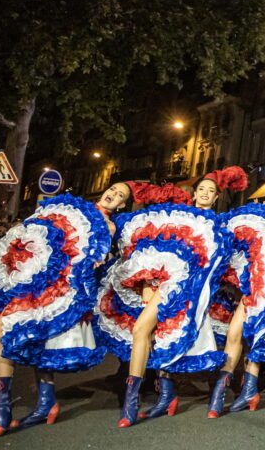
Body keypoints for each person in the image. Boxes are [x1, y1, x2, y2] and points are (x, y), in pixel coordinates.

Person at [0, 186, 129, 436]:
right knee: (4, 326)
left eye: (121, 196)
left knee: (32, 336)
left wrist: (96, 260)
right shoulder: (67, 209)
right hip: (39, 280)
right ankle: (10, 407)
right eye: (113, 189)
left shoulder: (107, 227)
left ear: (121, 205)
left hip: (62, 289)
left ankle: (35, 404)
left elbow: (95, 260)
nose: (114, 195)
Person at [94, 180, 228, 428]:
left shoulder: (217, 225)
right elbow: (151, 252)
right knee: (156, 338)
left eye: (211, 191)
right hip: (162, 285)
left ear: (217, 197)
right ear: (194, 193)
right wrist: (146, 284)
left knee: (162, 335)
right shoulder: (173, 220)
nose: (206, 194)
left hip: (191, 289)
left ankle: (213, 394)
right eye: (202, 189)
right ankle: (163, 396)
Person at [208, 168, 265, 416]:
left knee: (255, 339)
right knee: (235, 334)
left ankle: (249, 388)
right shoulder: (259, 214)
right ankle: (222, 390)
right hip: (250, 287)